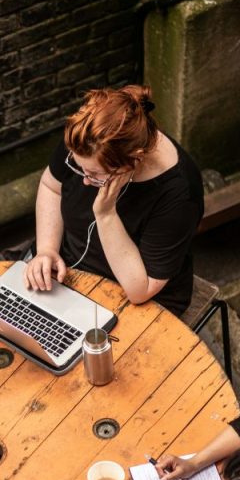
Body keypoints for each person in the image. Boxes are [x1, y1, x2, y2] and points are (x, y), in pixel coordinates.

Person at [22, 84, 203, 315]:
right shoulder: (87, 137)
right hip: (68, 266)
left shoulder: (179, 195)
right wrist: (47, 250)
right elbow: (51, 187)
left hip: (135, 298)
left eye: (95, 174)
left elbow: (141, 290)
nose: (85, 181)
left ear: (134, 161)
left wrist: (106, 214)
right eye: (79, 168)